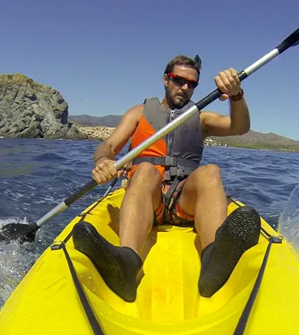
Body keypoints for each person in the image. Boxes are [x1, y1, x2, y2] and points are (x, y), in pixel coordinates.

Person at [73, 54, 261, 302]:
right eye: (178, 80)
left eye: (191, 84)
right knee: (146, 170)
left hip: (183, 201)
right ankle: (127, 264)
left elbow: (240, 127)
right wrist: (103, 162)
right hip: (148, 199)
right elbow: (108, 146)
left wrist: (236, 95)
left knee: (210, 172)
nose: (185, 87)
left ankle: (214, 262)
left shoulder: (200, 118)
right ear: (165, 79)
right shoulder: (138, 113)